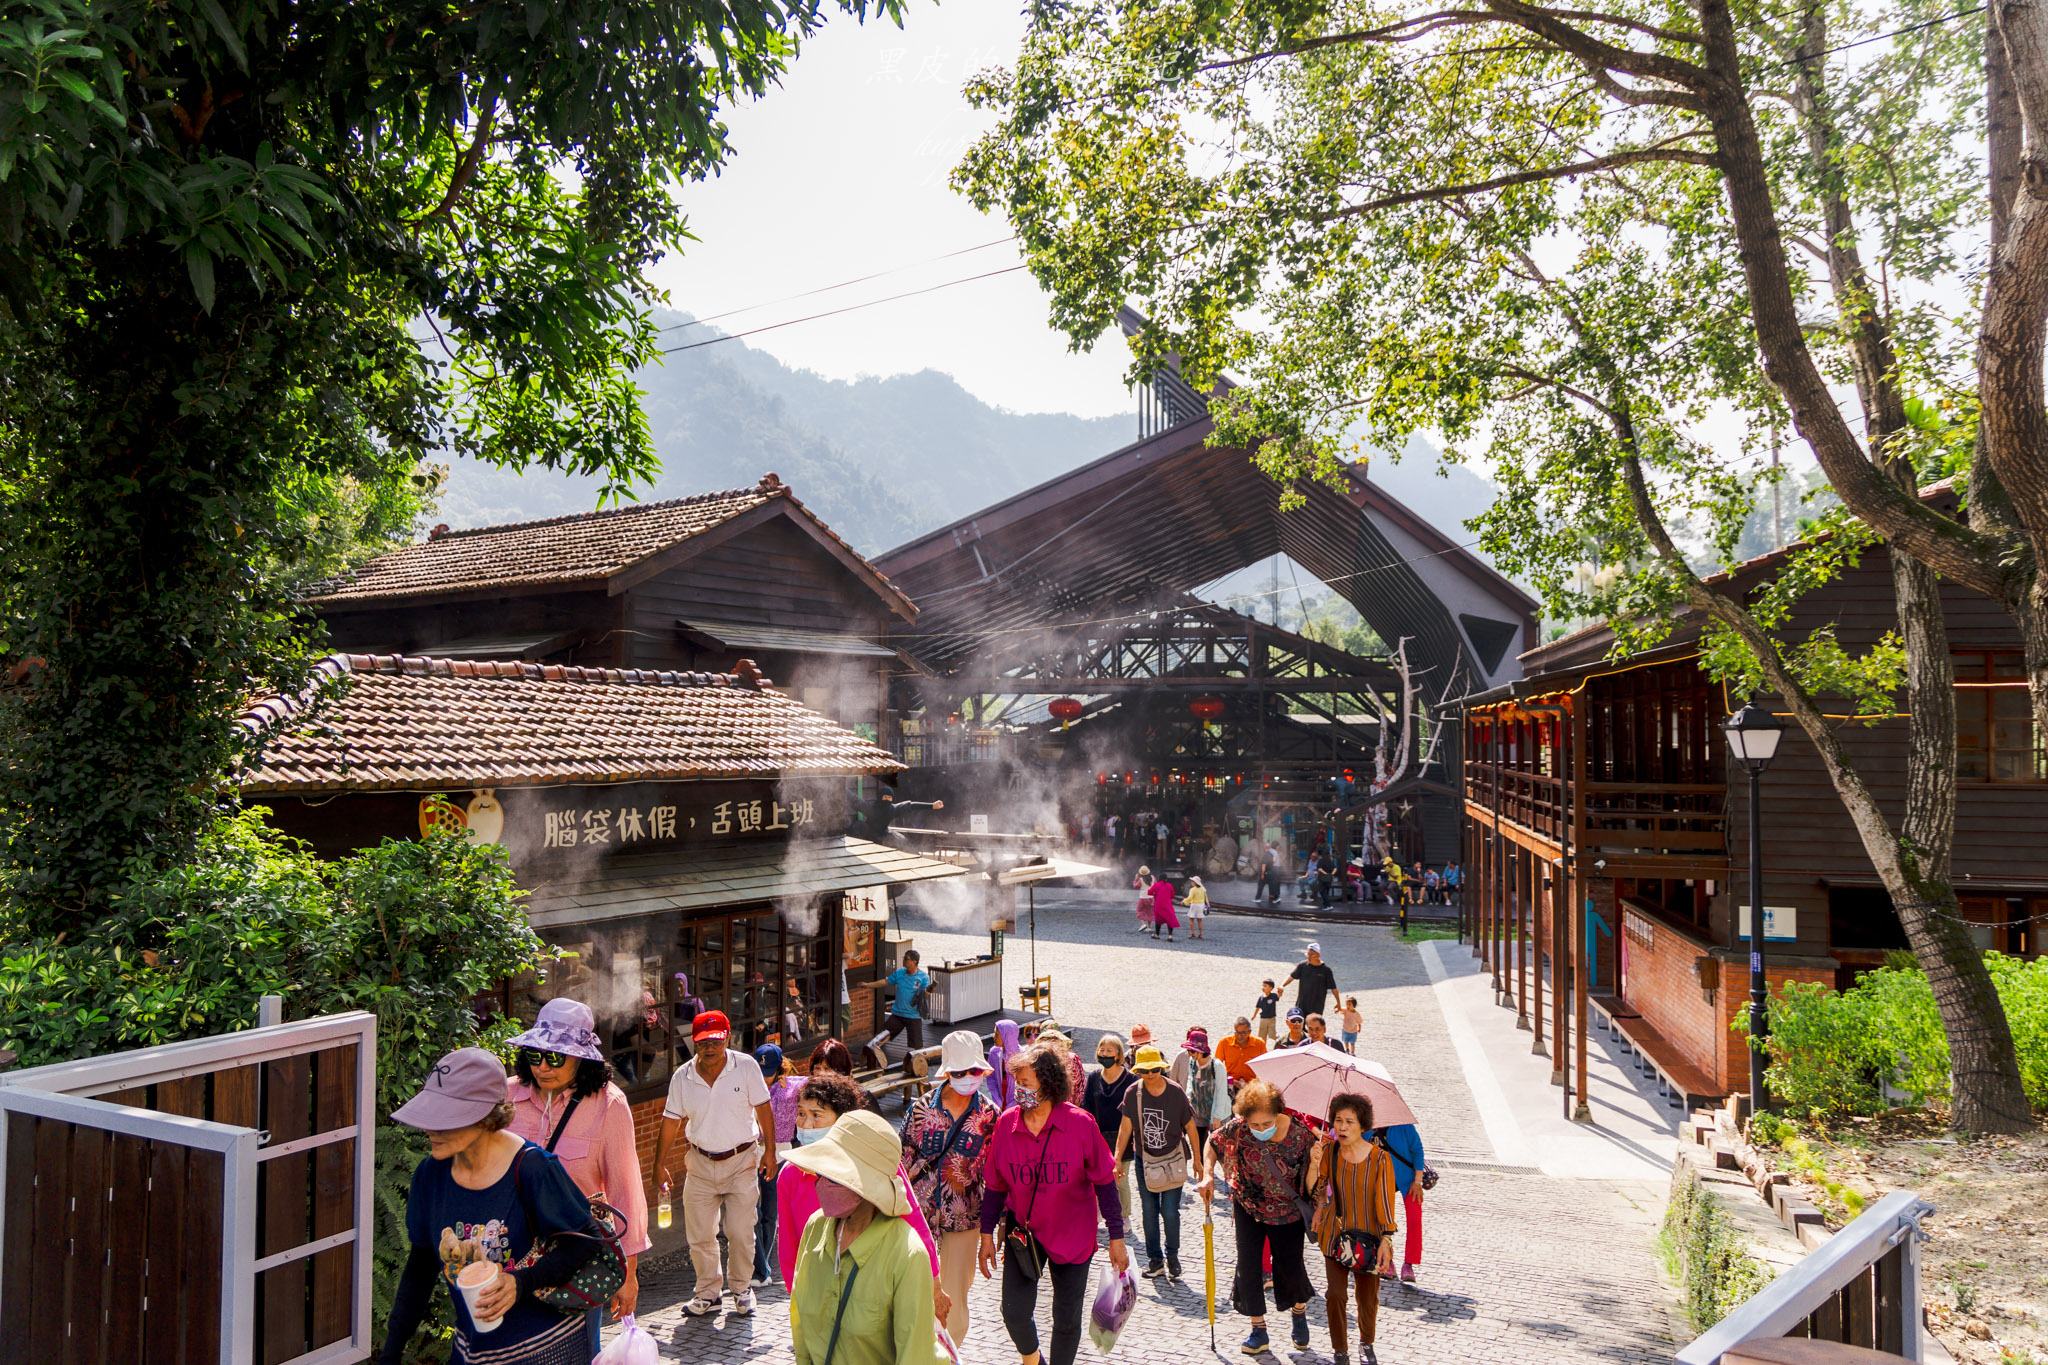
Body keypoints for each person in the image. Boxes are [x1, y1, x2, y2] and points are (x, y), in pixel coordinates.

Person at [379, 1047, 601, 1365]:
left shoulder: (533, 1168)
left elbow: (585, 1242)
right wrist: (391, 1352)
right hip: (473, 1351)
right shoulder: (430, 1175)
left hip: (546, 1350)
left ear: (485, 1117)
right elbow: (421, 1267)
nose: (430, 1129)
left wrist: (521, 1283)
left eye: (444, 1119)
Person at [504, 999, 650, 1354]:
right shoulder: (506, 1097)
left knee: (574, 1352)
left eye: (555, 1057)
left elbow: (625, 1192)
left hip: (576, 1258)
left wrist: (628, 1275)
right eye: (536, 1054)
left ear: (581, 1058)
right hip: (509, 1253)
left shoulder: (608, 1105)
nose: (542, 1066)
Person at [978, 1044, 1131, 1365]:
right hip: (1026, 1234)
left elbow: (1105, 1183)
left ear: (1048, 1083)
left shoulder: (1080, 1124)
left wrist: (1116, 1238)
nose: (1020, 1091)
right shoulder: (1007, 1125)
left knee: (1066, 1319)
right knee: (1014, 1312)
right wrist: (986, 1234)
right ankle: (1032, 1358)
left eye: (1026, 1083)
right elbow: (995, 1185)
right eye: (1017, 1083)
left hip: (1074, 1236)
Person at [786, 1110, 945, 1365]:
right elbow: (801, 1327)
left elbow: (916, 1355)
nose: (820, 1182)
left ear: (868, 1188)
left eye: (833, 1176)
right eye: (821, 1173)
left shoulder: (906, 1254)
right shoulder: (815, 1228)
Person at [653, 1009, 777, 1318]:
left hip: (741, 1161)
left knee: (739, 1230)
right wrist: (658, 1164)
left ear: (728, 1038)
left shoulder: (746, 1067)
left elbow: (764, 1110)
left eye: (716, 1041)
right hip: (700, 1162)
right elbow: (670, 1122)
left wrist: (771, 1152)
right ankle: (708, 1292)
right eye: (704, 1041)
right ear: (695, 1042)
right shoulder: (683, 1077)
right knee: (700, 1235)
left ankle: (741, 1288)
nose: (710, 1047)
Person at [779, 1074, 940, 1305]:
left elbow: (912, 1217)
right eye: (801, 1114)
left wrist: (933, 1278)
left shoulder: (874, 1162)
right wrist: (797, 1295)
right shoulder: (790, 1175)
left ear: (842, 1121)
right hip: (819, 1290)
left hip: (875, 1286)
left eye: (817, 1115)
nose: (806, 1125)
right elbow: (789, 1246)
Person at [1202, 1078, 1319, 1357]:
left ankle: (1299, 1313)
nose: (1260, 1130)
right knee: (1248, 1265)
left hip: (1287, 1212)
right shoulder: (1239, 1128)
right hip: (1248, 1206)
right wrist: (1207, 1173)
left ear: (1279, 1112)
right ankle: (1258, 1329)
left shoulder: (1301, 1136)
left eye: (1266, 1124)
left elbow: (1314, 1185)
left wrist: (1316, 1162)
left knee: (1291, 1266)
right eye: (1255, 1125)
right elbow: (1213, 1143)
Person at [902, 1030, 1000, 1345]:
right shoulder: (921, 1109)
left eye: (973, 1071)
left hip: (965, 1217)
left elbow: (996, 1173)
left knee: (956, 1294)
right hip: (920, 1216)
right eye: (959, 1072)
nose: (967, 1078)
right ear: (946, 1073)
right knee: (915, 1290)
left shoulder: (989, 1115)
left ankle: (949, 1352)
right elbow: (901, 1163)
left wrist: (996, 1225)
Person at [1313, 1096, 1400, 1365]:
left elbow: (1386, 1200)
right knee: (1335, 1294)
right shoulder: (1330, 1152)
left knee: (1367, 1297)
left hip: (1369, 1238)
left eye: (1349, 1121)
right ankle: (1340, 1350)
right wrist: (1316, 1165)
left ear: (1362, 1125)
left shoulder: (1380, 1159)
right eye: (1338, 1120)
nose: (1342, 1126)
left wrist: (1387, 1238)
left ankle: (1366, 1343)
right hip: (1334, 1234)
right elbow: (1319, 1187)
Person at [1113, 1044, 1199, 1281]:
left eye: (1154, 1070)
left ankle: (1173, 1255)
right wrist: (1117, 1157)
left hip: (1173, 1158)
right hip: (1145, 1160)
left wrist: (1199, 1162)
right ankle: (1155, 1260)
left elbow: (1190, 1127)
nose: (1150, 1075)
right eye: (1145, 1071)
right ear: (1138, 1070)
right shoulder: (1133, 1092)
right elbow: (1126, 1127)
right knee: (1149, 1211)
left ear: (1161, 1068)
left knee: (1170, 1211)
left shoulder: (1175, 1092)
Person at [752, 1043, 804, 1289]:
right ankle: (760, 1267)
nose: (765, 1077)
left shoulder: (791, 1088)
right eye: (761, 1071)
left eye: (769, 1072)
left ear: (780, 1068)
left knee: (770, 1213)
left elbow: (816, 1080)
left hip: (780, 1155)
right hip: (752, 1153)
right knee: (753, 1212)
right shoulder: (750, 1087)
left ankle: (761, 1268)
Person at [1082, 1035, 1138, 1223]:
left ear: (1118, 1054)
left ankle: (1124, 1216)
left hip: (1123, 1137)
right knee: (1097, 1177)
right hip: (1098, 1137)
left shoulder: (1131, 1079)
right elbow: (1086, 1106)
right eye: (1101, 1050)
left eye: (1109, 1051)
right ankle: (1099, 1211)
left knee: (1120, 1179)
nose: (1104, 1054)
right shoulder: (1094, 1077)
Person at [1169, 1027, 1231, 1163]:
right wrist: (1187, 1104)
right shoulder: (1192, 1062)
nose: (1189, 1053)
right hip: (1198, 1113)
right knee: (1201, 1149)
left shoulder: (1217, 1066)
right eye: (1188, 1050)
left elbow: (1221, 1092)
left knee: (1220, 1151)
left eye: (1192, 1050)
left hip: (1216, 1115)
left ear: (1201, 1050)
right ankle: (1204, 1177)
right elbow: (1191, 1083)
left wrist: (1217, 1116)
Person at [1377, 1121, 1428, 1284]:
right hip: (1382, 1181)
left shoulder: (1404, 1125)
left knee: (1414, 1220)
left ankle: (1409, 1264)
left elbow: (1417, 1150)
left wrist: (1418, 1181)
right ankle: (1387, 1260)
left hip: (1409, 1180)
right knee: (1383, 1220)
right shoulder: (1368, 1128)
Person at [867, 949, 932, 1069]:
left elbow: (925, 995)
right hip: (897, 1015)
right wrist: (868, 985)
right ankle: (871, 1065)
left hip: (913, 1016)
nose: (903, 961)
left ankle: (919, 1069)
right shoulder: (900, 972)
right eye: (904, 958)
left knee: (917, 1046)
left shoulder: (923, 977)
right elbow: (885, 982)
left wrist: (927, 992)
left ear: (914, 962)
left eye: (906, 959)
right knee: (879, 1038)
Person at [1285, 942, 1345, 1020]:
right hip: (1302, 1004)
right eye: (1308, 954)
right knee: (1299, 1026)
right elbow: (1291, 977)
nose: (1309, 957)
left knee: (1313, 1029)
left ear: (1318, 955)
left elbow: (1334, 989)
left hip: (1317, 1007)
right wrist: (1282, 986)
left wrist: (1338, 1003)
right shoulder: (1302, 966)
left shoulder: (1326, 970)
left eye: (1312, 955)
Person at [1033, 1021, 1088, 1098]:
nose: (1051, 1043)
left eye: (1054, 1039)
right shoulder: (1036, 1059)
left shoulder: (1072, 1058)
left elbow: (1080, 1087)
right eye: (1046, 1039)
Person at [1217, 1016, 1267, 1092]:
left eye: (1243, 1033)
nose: (1240, 1036)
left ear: (1250, 1032)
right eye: (1237, 1032)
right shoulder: (1224, 1043)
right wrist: (1232, 1081)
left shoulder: (1259, 1044)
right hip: (1230, 1085)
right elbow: (1217, 1067)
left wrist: (1253, 1084)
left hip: (1252, 1087)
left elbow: (1264, 1067)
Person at [986, 1019, 1025, 1108]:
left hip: (1016, 1102)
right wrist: (996, 1099)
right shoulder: (994, 1052)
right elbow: (991, 1078)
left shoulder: (1022, 1055)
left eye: (997, 1034)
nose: (993, 1037)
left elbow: (1024, 1084)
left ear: (1006, 1036)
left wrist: (1013, 1104)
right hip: (1000, 1099)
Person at [1148, 871, 1180, 941]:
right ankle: (1170, 936)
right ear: (1166, 878)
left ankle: (1157, 934)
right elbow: (1172, 896)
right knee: (1170, 919)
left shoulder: (1156, 885)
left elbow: (1149, 892)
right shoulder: (1169, 885)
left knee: (1158, 920)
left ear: (1159, 878)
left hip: (1158, 905)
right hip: (1168, 905)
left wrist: (1155, 892)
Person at [1183, 875, 1210, 940]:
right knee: (1200, 921)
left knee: (1191, 919)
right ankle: (1201, 934)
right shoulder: (1203, 889)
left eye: (1192, 881)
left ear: (1195, 882)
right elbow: (1206, 898)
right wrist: (1208, 905)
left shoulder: (1192, 889)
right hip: (1201, 906)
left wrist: (1184, 901)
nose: (1191, 882)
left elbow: (1190, 898)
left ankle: (1192, 934)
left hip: (1194, 905)